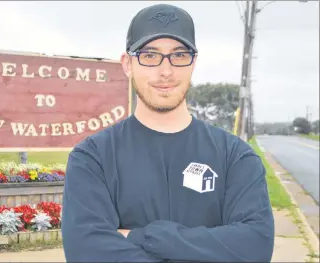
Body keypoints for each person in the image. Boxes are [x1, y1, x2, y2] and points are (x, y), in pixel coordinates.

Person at [61, 3, 275, 262]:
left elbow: (255, 247)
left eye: (179, 55)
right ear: (128, 64)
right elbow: (86, 250)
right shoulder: (93, 158)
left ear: (193, 62)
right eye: (149, 55)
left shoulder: (235, 156)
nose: (166, 71)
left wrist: (141, 237)